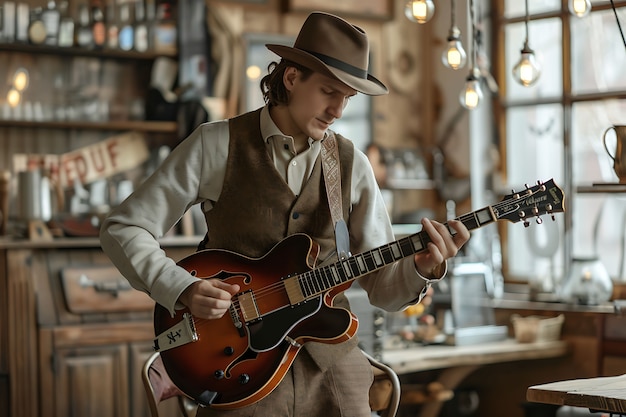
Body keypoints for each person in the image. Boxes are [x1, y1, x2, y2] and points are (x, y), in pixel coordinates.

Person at [100, 11, 470, 417]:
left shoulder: (351, 164)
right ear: (291, 78)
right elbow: (124, 227)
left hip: (332, 370)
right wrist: (181, 287)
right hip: (237, 371)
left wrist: (422, 268)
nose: (337, 111)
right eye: (329, 91)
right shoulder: (216, 144)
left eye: (347, 98)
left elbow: (383, 287)